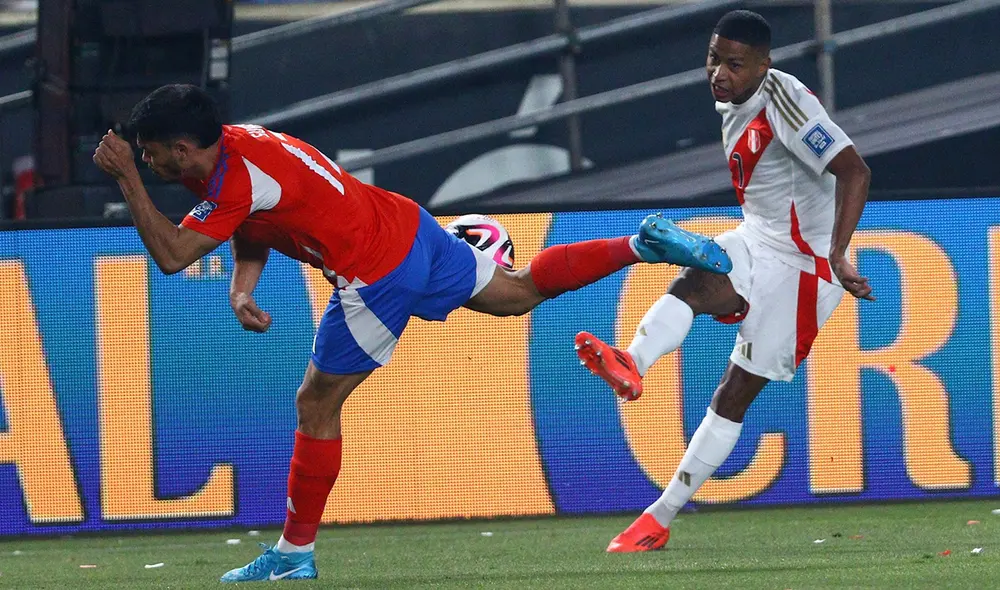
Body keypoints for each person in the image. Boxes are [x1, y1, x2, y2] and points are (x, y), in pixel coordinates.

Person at [91, 84, 733, 582]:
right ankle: (640, 243)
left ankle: (294, 553)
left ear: (181, 148)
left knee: (316, 405)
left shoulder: (230, 175)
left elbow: (174, 255)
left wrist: (124, 179)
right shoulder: (235, 149)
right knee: (516, 294)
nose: (145, 162)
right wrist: (241, 286)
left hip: (375, 272)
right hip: (408, 224)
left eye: (149, 154)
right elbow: (255, 220)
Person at [574, 9, 874, 553]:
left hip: (806, 268)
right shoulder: (735, 95)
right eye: (714, 58)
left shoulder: (786, 102)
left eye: (734, 65)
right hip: (760, 237)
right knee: (695, 278)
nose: (719, 73)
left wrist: (839, 253)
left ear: (764, 64)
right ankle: (632, 364)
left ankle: (658, 519)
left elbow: (855, 171)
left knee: (734, 393)